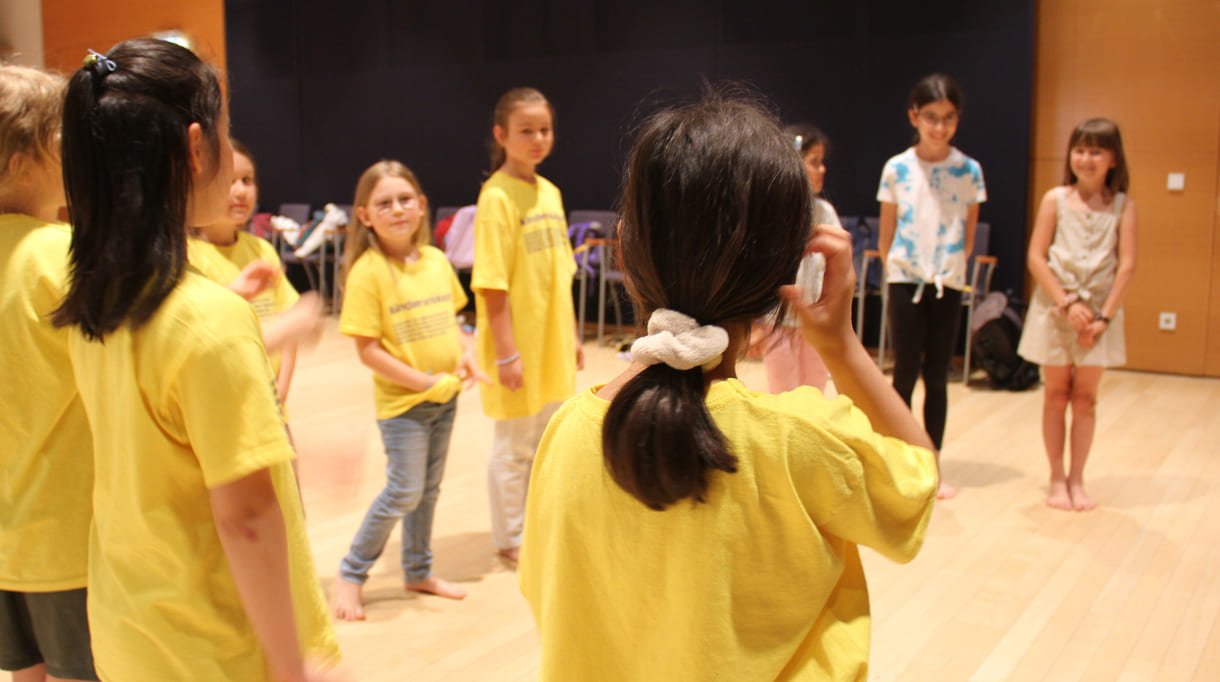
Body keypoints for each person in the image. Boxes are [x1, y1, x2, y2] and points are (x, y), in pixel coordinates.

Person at [519, 93, 939, 681]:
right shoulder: (800, 437)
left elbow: (544, 592)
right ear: (790, 268)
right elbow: (916, 481)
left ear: (628, 249)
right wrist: (841, 345)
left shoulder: (566, 432)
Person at [51, 39, 340, 680]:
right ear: (193, 147)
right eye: (226, 131)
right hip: (219, 647)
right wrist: (291, 665)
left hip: (134, 630)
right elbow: (246, 519)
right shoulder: (208, 321)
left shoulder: (99, 302)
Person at [332, 160, 487, 619]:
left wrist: (467, 352)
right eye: (384, 203)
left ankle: (418, 570)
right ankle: (352, 572)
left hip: (445, 400)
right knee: (403, 491)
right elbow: (367, 350)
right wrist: (424, 383)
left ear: (421, 206)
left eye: (405, 200)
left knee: (429, 490)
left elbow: (456, 324)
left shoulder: (437, 261)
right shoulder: (368, 272)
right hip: (404, 406)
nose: (396, 209)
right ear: (365, 216)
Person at [0, 64, 98, 682]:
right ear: (16, 163)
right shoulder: (55, 254)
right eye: (61, 140)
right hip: (65, 539)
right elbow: (145, 351)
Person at [472, 87, 582, 563]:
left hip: (553, 343)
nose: (538, 139)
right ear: (502, 135)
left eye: (545, 129)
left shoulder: (550, 192)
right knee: (513, 446)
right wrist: (507, 353)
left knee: (544, 441)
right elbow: (493, 285)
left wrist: (573, 334)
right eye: (526, 131)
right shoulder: (496, 197)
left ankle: (535, 527)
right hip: (516, 347)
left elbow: (563, 274)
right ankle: (510, 538)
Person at [876, 73, 986, 499]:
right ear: (914, 117)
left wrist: (949, 268)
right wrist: (901, 268)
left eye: (948, 118)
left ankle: (933, 462)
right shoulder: (897, 168)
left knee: (937, 373)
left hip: (948, 282)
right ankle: (898, 459)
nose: (939, 127)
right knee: (903, 371)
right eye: (931, 117)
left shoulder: (969, 170)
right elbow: (886, 236)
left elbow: (970, 236)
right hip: (905, 279)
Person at [1017, 119, 1137, 511]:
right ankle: (1055, 477)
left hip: (1100, 315)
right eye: (1080, 150)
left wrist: (1102, 318)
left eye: (1096, 151)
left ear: (1113, 158)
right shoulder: (1055, 198)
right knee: (1055, 395)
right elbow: (1036, 257)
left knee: (1085, 399)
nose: (1086, 159)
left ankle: (1077, 478)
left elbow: (1127, 266)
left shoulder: (1124, 205)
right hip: (1057, 309)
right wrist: (1067, 304)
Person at [190, 138, 314, 404]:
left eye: (247, 180)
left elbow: (287, 327)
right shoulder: (189, 256)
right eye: (229, 180)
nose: (241, 191)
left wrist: (281, 391)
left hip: (271, 401)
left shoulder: (261, 249)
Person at [754, 123, 842, 393]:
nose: (822, 169)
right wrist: (754, 321)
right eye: (814, 162)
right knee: (783, 392)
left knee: (813, 389)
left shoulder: (825, 211)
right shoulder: (772, 211)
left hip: (814, 319)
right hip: (777, 320)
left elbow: (837, 265)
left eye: (822, 161)